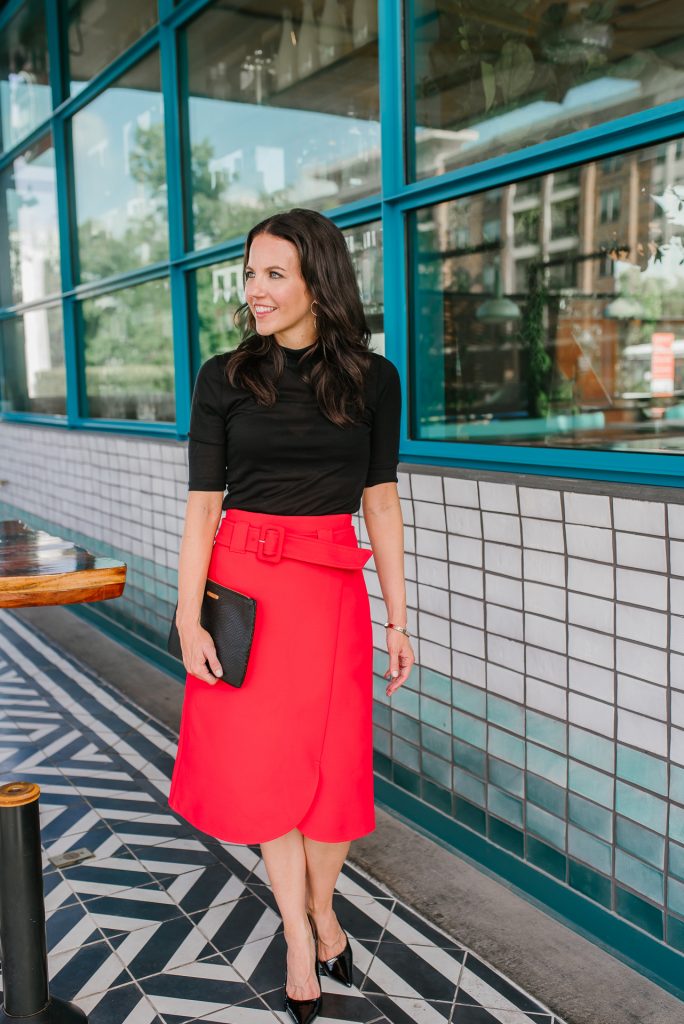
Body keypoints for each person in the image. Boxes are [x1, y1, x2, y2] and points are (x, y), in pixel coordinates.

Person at [168, 207, 415, 1023]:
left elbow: (380, 498)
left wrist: (401, 617)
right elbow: (205, 506)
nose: (256, 289)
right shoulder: (224, 376)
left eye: (275, 273)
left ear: (319, 279)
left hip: (331, 591)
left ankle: (324, 906)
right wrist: (189, 617)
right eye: (250, 273)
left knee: (333, 775)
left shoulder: (374, 380)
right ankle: (299, 934)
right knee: (269, 771)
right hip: (244, 589)